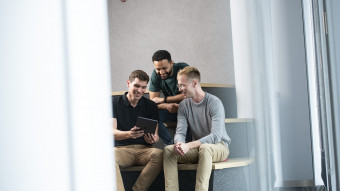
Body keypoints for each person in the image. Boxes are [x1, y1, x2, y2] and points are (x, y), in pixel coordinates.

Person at [163, 66, 231, 191]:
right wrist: (179, 143)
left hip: (219, 146)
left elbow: (215, 136)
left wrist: (188, 146)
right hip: (198, 148)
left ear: (194, 83)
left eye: (182, 85)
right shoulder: (184, 105)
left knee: (205, 148)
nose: (180, 89)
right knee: (168, 150)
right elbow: (180, 132)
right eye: (179, 86)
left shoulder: (214, 102)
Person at [112, 70, 163, 191]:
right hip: (122, 150)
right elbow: (112, 132)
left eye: (143, 87)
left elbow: (155, 136)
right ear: (128, 83)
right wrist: (129, 134)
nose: (140, 90)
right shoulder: (114, 103)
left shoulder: (151, 105)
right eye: (136, 86)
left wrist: (153, 139)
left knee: (160, 154)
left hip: (144, 150)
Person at [149, 50, 189, 145]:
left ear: (171, 63)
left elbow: (189, 94)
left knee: (191, 109)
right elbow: (152, 103)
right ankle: (170, 144)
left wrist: (164, 100)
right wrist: (166, 106)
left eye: (164, 68)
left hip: (188, 109)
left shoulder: (183, 68)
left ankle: (187, 144)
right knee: (151, 114)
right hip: (172, 111)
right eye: (158, 69)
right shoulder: (155, 75)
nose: (161, 72)